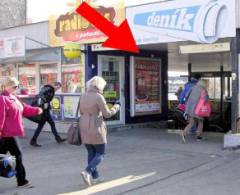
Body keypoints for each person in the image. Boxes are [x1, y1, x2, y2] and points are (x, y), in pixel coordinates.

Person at [0, 77, 42, 188]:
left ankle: (22, 181)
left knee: (4, 157)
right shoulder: (2, 99)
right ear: (6, 86)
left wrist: (37, 110)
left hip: (11, 133)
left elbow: (24, 109)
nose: (16, 88)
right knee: (17, 156)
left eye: (17, 86)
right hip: (6, 134)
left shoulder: (14, 97)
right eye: (14, 86)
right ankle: (22, 181)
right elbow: (0, 118)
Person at [79, 76, 120, 186]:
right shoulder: (99, 97)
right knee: (101, 152)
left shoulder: (82, 95)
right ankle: (87, 171)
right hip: (96, 127)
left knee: (91, 152)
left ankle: (95, 178)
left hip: (83, 126)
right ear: (100, 85)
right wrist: (116, 107)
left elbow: (81, 111)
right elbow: (107, 114)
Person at [30, 82, 65, 147]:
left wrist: (46, 103)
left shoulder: (50, 89)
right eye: (58, 87)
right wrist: (45, 102)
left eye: (59, 88)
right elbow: (41, 94)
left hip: (45, 109)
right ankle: (33, 140)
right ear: (55, 85)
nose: (58, 89)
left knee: (49, 124)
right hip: (44, 110)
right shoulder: (49, 88)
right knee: (45, 125)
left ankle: (57, 138)